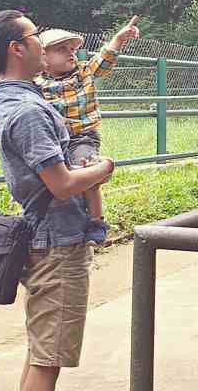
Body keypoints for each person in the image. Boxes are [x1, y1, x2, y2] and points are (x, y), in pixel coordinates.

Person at [0, 10, 115, 391]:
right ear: (17, 49)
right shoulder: (30, 111)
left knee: (42, 352)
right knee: (48, 358)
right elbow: (62, 184)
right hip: (58, 242)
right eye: (35, 35)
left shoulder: (11, 96)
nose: (42, 41)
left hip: (46, 236)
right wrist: (104, 169)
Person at [34, 16, 141, 245]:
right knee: (53, 178)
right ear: (43, 57)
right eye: (61, 49)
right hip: (54, 140)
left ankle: (96, 220)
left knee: (87, 169)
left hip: (83, 137)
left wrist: (119, 38)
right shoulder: (38, 84)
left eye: (71, 49)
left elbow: (105, 59)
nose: (70, 53)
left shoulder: (83, 73)